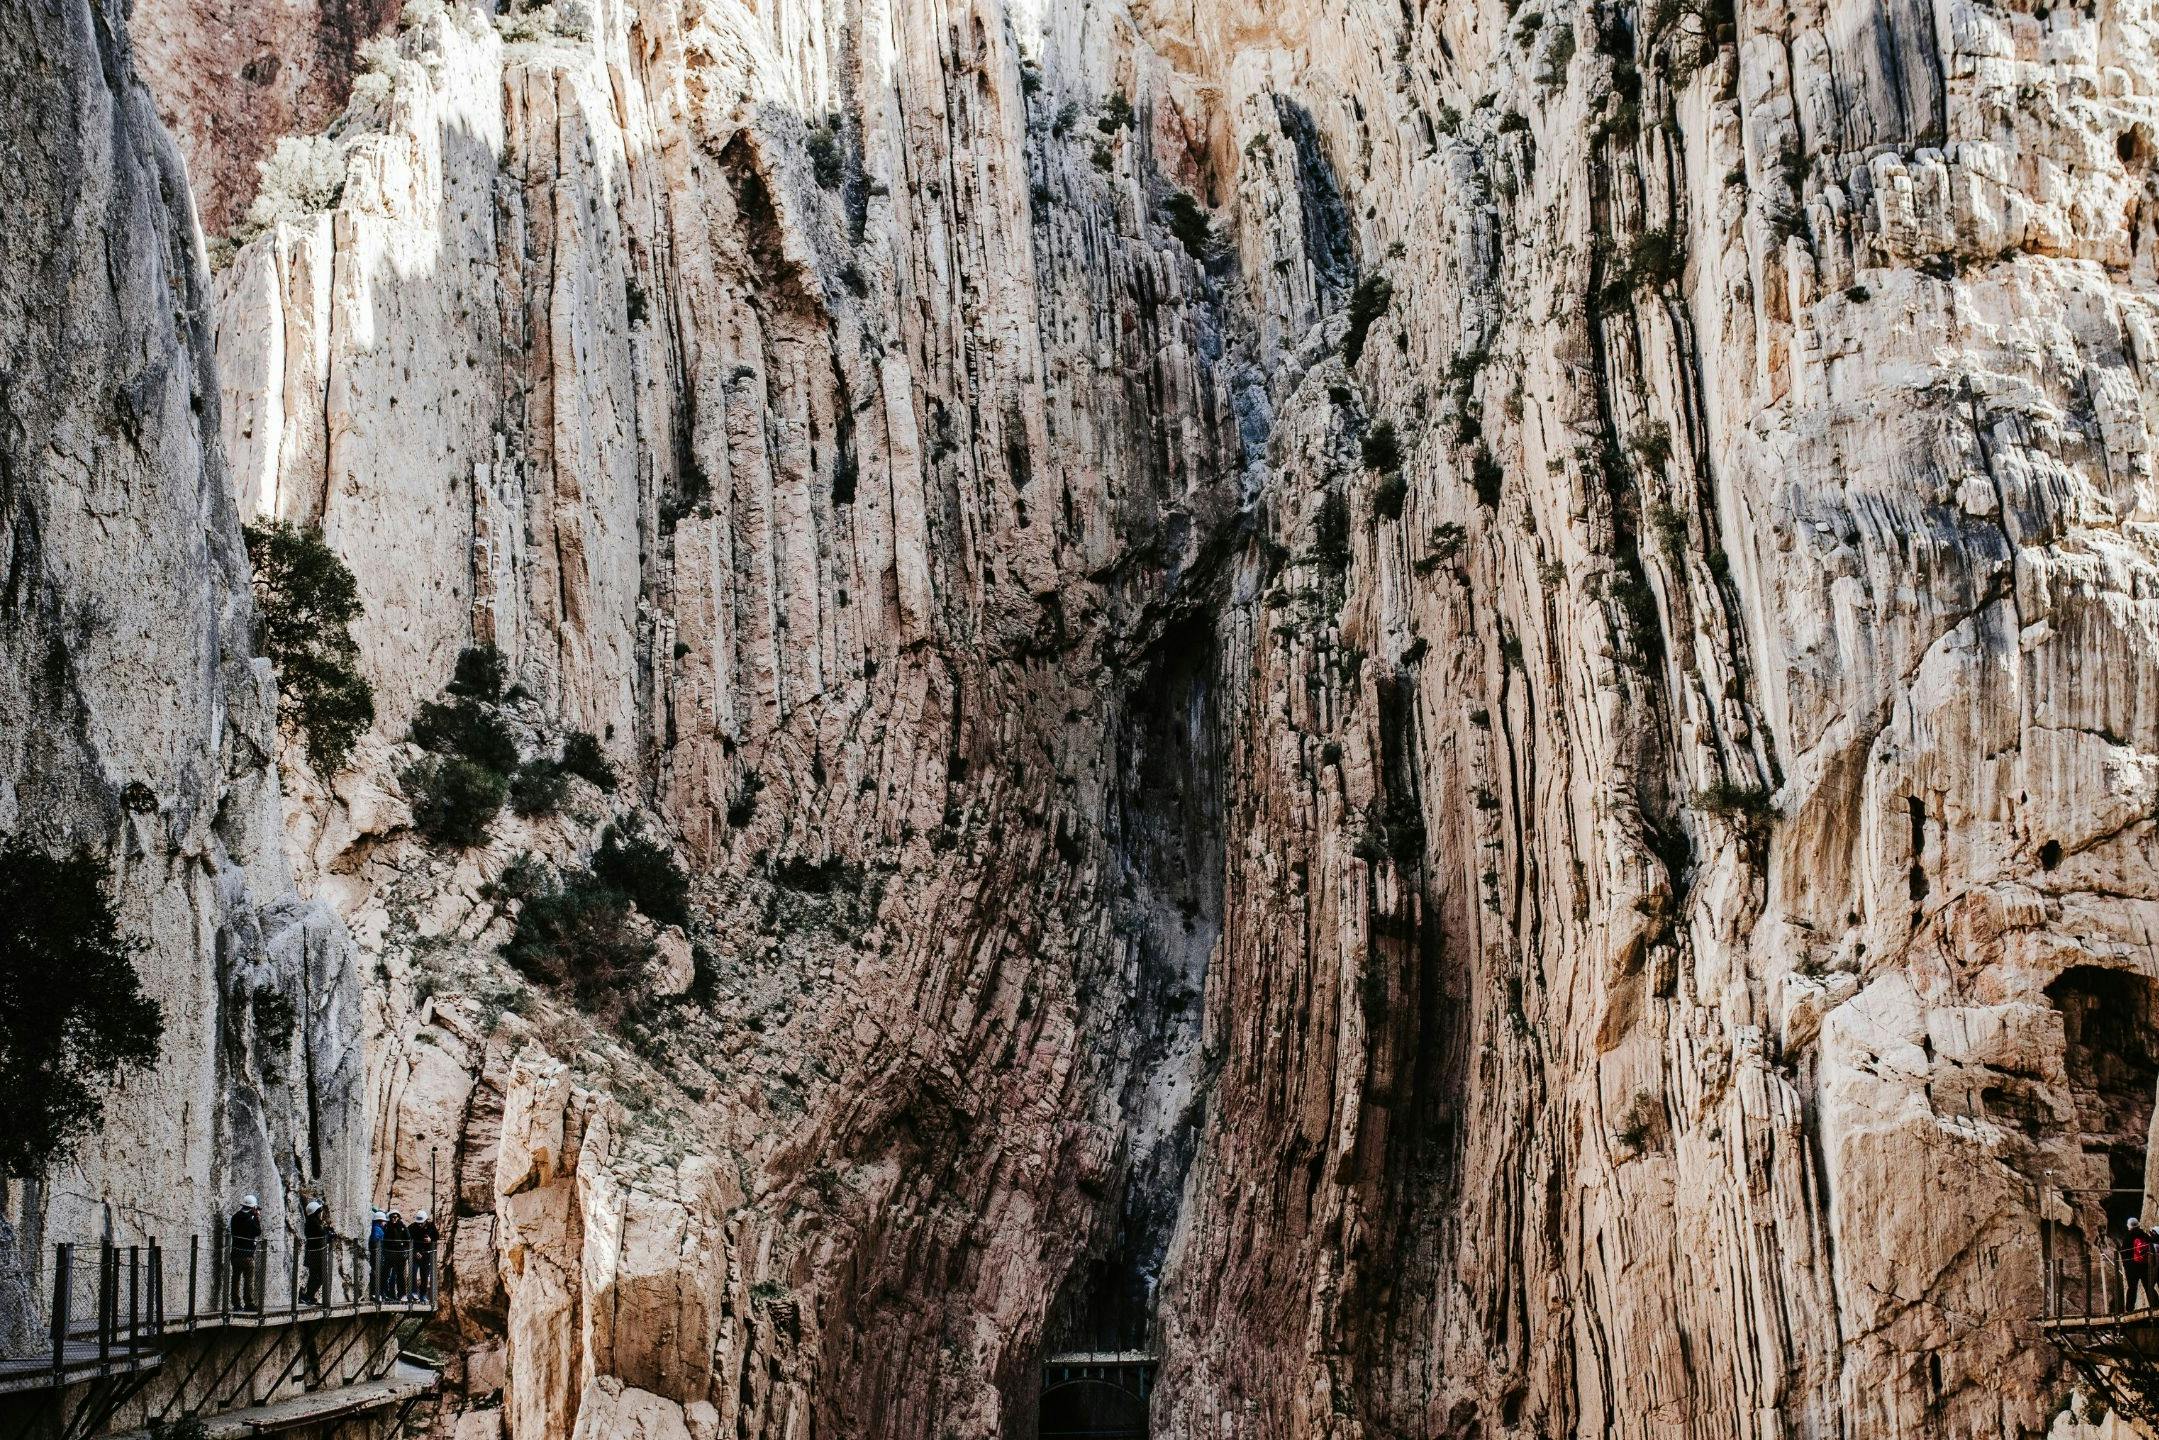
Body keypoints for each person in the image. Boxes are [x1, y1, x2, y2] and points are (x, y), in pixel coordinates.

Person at [228, 1195, 263, 1311]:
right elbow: (258, 1231)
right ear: (253, 1208)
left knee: (235, 1279)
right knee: (248, 1280)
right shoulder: (252, 1218)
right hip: (247, 1254)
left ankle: (236, 1304)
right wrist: (257, 1218)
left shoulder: (235, 1217)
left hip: (235, 1253)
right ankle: (249, 1303)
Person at [299, 1199, 330, 1304]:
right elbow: (321, 1234)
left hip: (313, 1252)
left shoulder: (311, 1222)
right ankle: (308, 1295)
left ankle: (308, 1295)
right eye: (319, 1211)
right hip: (316, 1253)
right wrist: (329, 1235)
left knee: (314, 1275)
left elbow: (321, 1233)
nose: (320, 1213)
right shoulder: (313, 1223)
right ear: (315, 1212)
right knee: (320, 1276)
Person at [408, 1210, 440, 1303]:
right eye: (418, 1223)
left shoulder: (431, 1227)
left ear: (425, 1221)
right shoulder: (412, 1227)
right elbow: (408, 1240)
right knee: (413, 1273)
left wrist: (431, 1239)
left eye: (421, 1223)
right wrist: (415, 1252)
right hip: (415, 1254)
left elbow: (437, 1236)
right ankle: (414, 1292)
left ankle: (423, 1295)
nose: (419, 1225)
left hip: (426, 1255)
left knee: (424, 1276)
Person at [383, 1210, 410, 1303]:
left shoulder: (402, 1227)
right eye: (392, 1217)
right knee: (387, 1274)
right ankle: (386, 1293)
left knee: (400, 1275)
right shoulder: (387, 1227)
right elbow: (385, 1240)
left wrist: (404, 1250)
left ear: (398, 1217)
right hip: (390, 1254)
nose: (394, 1219)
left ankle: (402, 1294)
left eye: (395, 1217)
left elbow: (408, 1239)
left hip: (400, 1254)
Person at [2131, 1218, 2153, 1310]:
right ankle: (2155, 1304)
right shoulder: (2145, 1236)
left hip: (2136, 1264)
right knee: (2148, 1285)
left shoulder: (2132, 1238)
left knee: (2133, 1287)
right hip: (2146, 1264)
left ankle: (2130, 1308)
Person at [368, 1209, 387, 1301]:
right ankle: (376, 1293)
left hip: (377, 1254)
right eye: (384, 1221)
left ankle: (377, 1293)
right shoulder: (377, 1229)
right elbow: (375, 1241)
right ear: (380, 1221)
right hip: (377, 1255)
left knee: (377, 1273)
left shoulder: (376, 1228)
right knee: (377, 1273)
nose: (385, 1223)